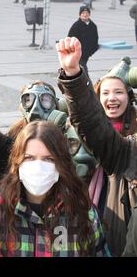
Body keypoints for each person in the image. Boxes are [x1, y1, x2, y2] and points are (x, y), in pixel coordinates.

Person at [0, 121, 110, 257]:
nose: (39, 167)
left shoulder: (83, 213)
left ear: (61, 165)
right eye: (29, 158)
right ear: (17, 162)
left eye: (48, 159)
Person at [57, 37, 137, 256]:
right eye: (106, 93)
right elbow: (92, 123)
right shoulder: (128, 151)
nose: (112, 99)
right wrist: (73, 74)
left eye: (119, 92)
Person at [67, 6, 99, 73]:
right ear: (80, 14)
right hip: (77, 53)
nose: (85, 14)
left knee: (80, 69)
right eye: (83, 13)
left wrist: (92, 50)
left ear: (89, 14)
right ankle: (87, 82)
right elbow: (69, 38)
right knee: (83, 69)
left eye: (87, 13)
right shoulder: (76, 26)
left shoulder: (93, 26)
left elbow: (95, 39)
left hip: (87, 53)